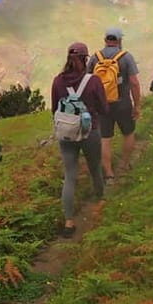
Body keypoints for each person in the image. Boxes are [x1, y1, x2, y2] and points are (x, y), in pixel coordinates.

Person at [51, 42, 108, 237]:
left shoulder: (58, 81)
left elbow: (54, 109)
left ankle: (68, 222)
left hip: (66, 134)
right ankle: (99, 200)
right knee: (95, 167)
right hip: (89, 132)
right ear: (85, 59)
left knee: (70, 176)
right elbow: (103, 108)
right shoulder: (93, 81)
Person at [87, 28, 141, 183]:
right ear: (119, 41)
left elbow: (88, 81)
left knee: (105, 138)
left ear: (105, 40)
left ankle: (109, 173)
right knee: (128, 133)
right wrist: (137, 105)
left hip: (101, 105)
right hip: (123, 104)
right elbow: (134, 83)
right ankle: (124, 165)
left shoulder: (95, 58)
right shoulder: (126, 57)